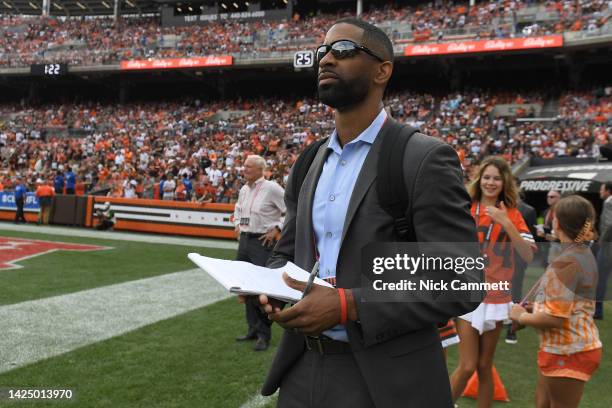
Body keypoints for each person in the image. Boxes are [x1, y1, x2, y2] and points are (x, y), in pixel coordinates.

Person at [256, 18, 482, 407]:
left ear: (382, 70)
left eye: (342, 50)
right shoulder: (309, 160)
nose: (326, 59)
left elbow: (461, 279)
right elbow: (289, 251)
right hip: (302, 368)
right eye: (323, 51)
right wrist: (272, 286)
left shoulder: (423, 157)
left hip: (387, 380)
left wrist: (349, 304)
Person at [450, 156, 536, 407]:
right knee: (467, 366)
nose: (490, 182)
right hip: (469, 294)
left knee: (485, 365)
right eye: (486, 177)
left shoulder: (512, 214)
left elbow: (528, 255)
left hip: (497, 296)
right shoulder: (466, 207)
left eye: (496, 178)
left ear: (504, 182)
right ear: (479, 179)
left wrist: (506, 222)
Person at [510, 195, 602, 408]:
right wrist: (536, 308)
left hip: (569, 350)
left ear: (557, 222)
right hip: (568, 347)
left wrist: (521, 316)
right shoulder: (582, 253)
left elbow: (555, 318)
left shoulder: (566, 263)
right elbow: (570, 304)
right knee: (543, 403)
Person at [234, 155, 285, 351]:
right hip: (245, 241)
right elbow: (238, 210)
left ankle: (264, 334)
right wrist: (237, 224)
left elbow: (291, 208)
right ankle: (252, 329)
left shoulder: (272, 188)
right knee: (245, 287)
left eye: (248, 167)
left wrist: (278, 228)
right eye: (244, 166)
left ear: (259, 169)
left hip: (262, 242)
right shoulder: (244, 189)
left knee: (261, 289)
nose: (244, 169)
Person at [506, 186, 538, 344]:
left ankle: (512, 328)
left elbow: (529, 238)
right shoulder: (496, 206)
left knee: (515, 292)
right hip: (501, 259)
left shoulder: (526, 211)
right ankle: (508, 327)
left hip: (516, 258)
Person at [595, 181, 612, 319]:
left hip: (607, 248)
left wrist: (602, 241)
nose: (600, 192)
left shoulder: (608, 203)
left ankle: (598, 311)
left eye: (602, 190)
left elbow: (609, 224)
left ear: (608, 191)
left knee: (600, 278)